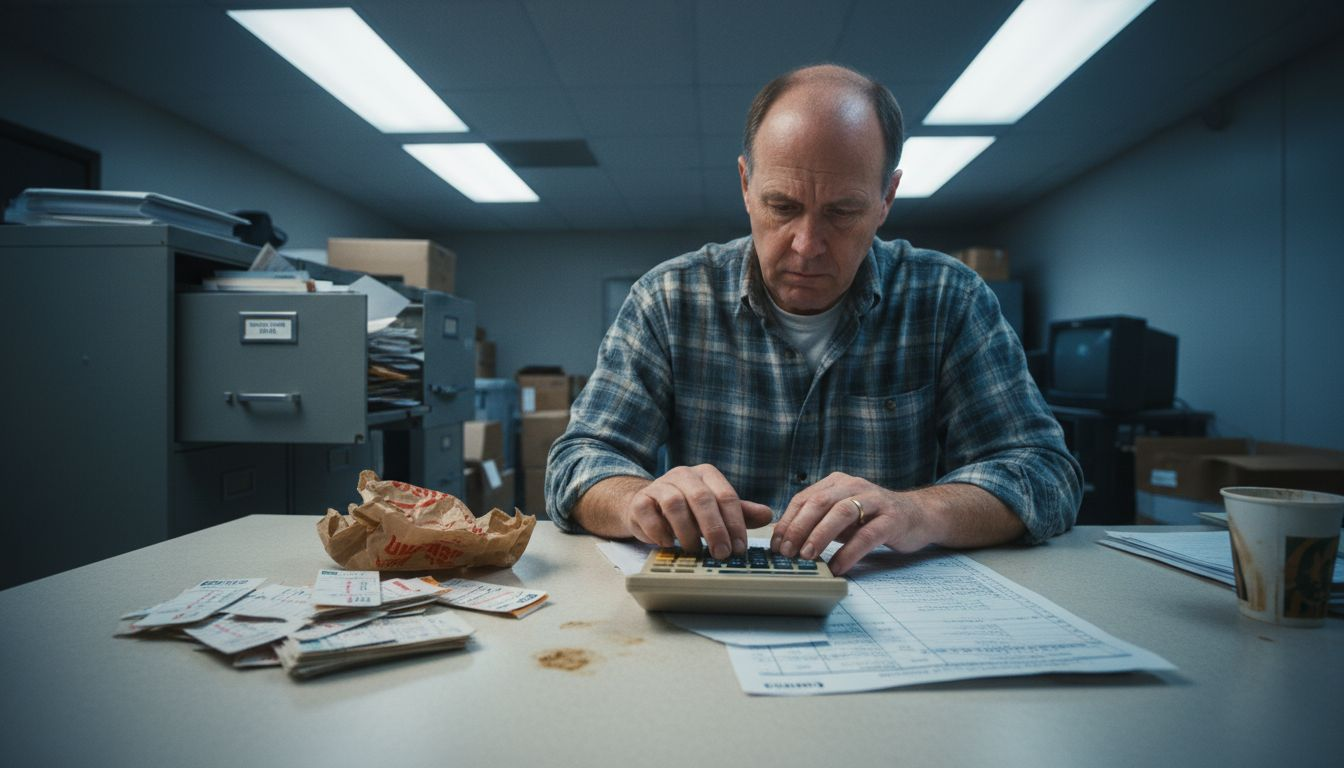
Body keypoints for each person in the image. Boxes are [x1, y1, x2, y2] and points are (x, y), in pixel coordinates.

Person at [545, 64, 1082, 575]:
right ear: (745, 185)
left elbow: (1045, 474)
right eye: (781, 206)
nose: (807, 246)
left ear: (886, 197)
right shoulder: (668, 299)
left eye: (842, 212)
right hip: (710, 606)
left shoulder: (949, 298)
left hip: (883, 603)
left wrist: (919, 512)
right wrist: (637, 499)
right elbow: (578, 460)